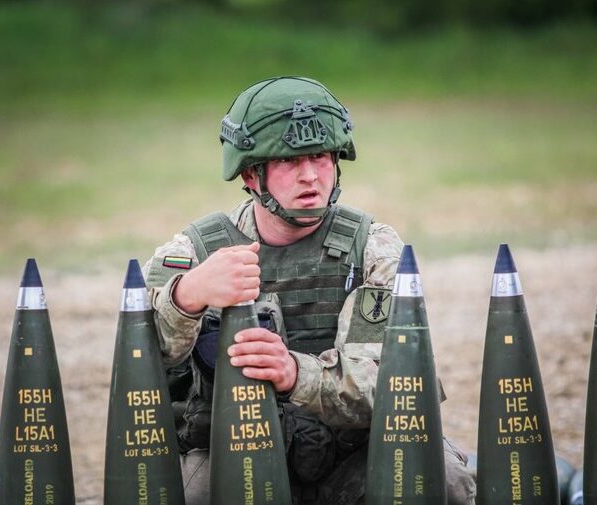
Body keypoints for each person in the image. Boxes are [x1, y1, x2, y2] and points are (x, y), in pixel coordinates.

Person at [143, 76, 475, 505]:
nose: (310, 176)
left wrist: (295, 373)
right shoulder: (194, 253)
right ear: (251, 173)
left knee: (441, 481)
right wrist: (185, 298)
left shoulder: (372, 246)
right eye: (288, 161)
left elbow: (388, 380)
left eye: (320, 157)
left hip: (352, 453)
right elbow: (138, 365)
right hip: (236, 449)